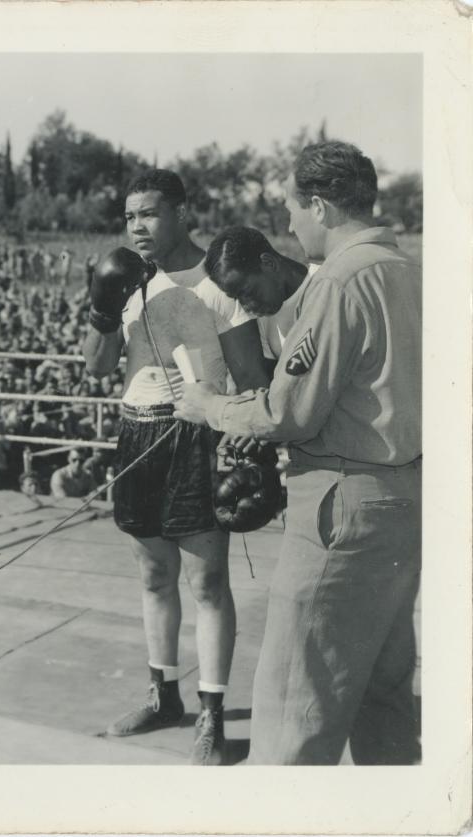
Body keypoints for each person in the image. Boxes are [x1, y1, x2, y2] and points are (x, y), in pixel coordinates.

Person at [174, 141, 421, 765]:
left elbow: (289, 413)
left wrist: (211, 407)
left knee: (294, 709)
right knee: (383, 704)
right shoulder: (405, 270)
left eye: (291, 211)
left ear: (319, 206)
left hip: (342, 511)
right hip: (403, 504)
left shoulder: (339, 281)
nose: (290, 227)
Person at [82, 169, 269, 765]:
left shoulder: (218, 282)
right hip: (136, 429)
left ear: (183, 213)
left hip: (196, 434)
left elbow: (252, 377)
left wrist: (244, 442)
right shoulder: (126, 279)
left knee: (207, 583)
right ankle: (163, 697)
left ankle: (211, 715)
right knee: (153, 577)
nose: (137, 226)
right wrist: (102, 309)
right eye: (129, 216)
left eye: (149, 213)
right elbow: (96, 367)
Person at [203, 225, 319, 369]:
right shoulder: (266, 318)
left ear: (269, 263)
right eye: (237, 298)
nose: (246, 307)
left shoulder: (326, 287)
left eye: (247, 292)